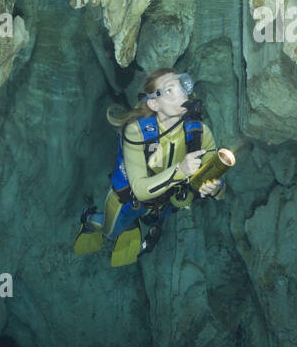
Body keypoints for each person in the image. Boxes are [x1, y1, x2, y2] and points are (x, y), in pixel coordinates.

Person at [74, 67, 224, 267]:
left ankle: (137, 226)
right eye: (169, 90)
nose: (180, 92)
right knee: (111, 232)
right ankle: (88, 219)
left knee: (152, 223)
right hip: (129, 200)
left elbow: (219, 186)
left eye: (181, 85)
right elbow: (140, 190)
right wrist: (182, 169)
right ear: (154, 103)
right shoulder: (137, 132)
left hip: (165, 204)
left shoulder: (200, 133)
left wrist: (215, 187)